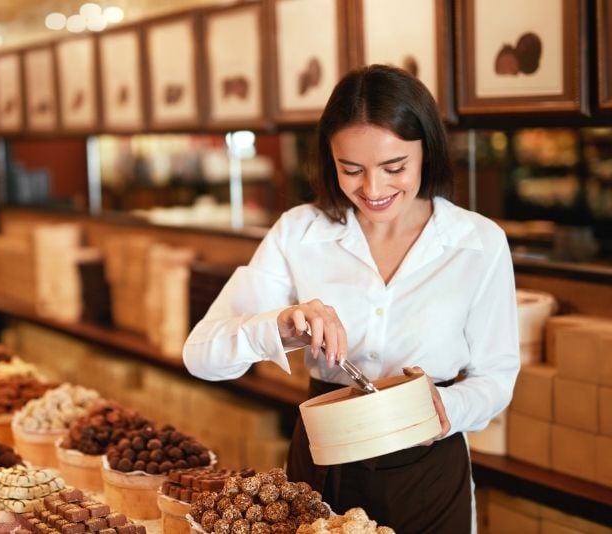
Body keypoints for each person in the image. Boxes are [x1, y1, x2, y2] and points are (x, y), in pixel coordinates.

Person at [182, 64, 520, 533]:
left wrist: (445, 411)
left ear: (428, 151)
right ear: (328, 159)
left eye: (394, 167)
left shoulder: (478, 243)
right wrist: (279, 325)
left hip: (427, 468)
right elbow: (201, 356)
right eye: (352, 169)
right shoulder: (299, 232)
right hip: (324, 465)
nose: (374, 189)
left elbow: (496, 376)